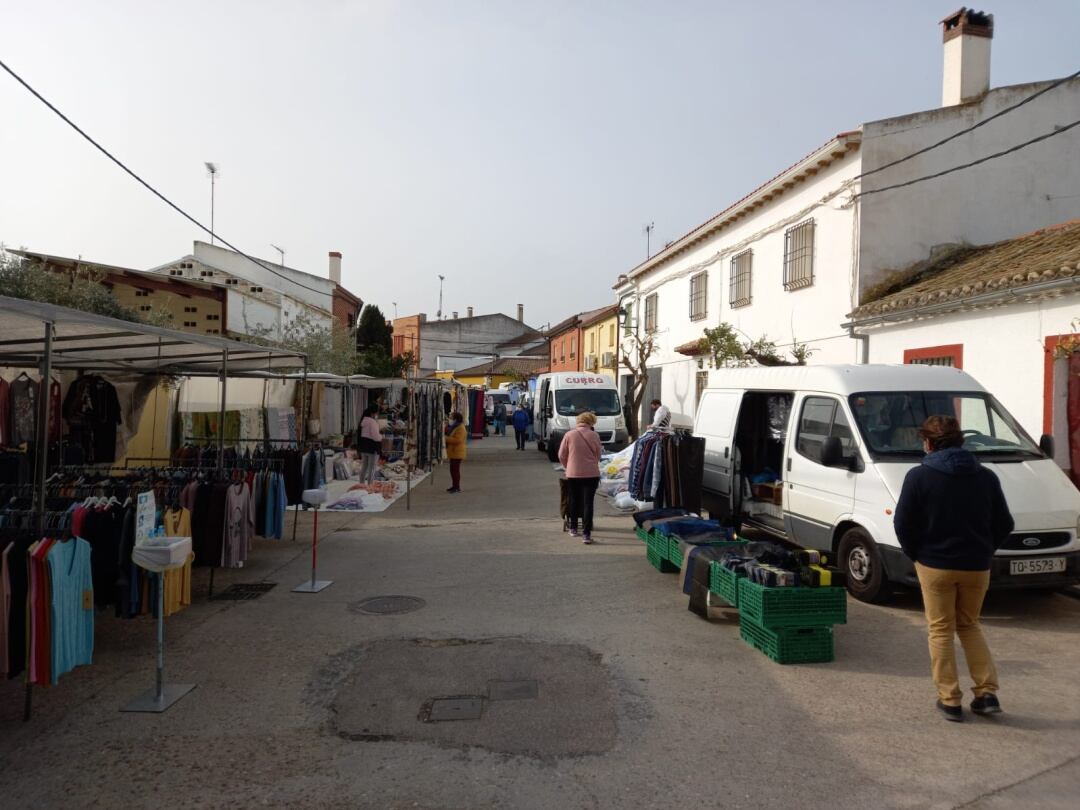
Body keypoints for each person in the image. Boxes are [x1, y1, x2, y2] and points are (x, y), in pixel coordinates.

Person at [893, 415, 1014, 722]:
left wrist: (916, 554)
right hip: (976, 565)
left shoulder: (919, 476)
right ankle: (986, 694)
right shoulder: (986, 476)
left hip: (935, 565)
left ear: (928, 443)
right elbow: (1004, 523)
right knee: (970, 625)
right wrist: (985, 550)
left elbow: (903, 523)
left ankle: (949, 700)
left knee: (940, 630)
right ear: (961, 441)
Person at [558, 411, 603, 544]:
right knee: (588, 503)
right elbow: (598, 455)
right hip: (591, 474)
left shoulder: (569, 435)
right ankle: (586, 534)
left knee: (574, 500)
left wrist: (568, 466)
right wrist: (592, 462)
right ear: (591, 422)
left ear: (579, 421)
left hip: (573, 474)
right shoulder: (594, 435)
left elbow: (561, 454)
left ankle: (573, 528)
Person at [356, 406, 382, 484]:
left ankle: (361, 484)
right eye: (377, 413)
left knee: (364, 467)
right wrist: (381, 437)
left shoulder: (363, 420)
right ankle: (370, 486)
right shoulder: (372, 422)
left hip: (363, 446)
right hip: (372, 447)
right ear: (373, 413)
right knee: (372, 468)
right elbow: (376, 437)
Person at [444, 410, 467, 493]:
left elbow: (458, 440)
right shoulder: (455, 426)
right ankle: (454, 486)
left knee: (455, 470)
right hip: (454, 451)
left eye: (451, 418)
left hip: (457, 452)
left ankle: (457, 487)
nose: (450, 419)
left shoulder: (460, 427)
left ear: (456, 419)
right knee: (453, 470)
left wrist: (446, 438)